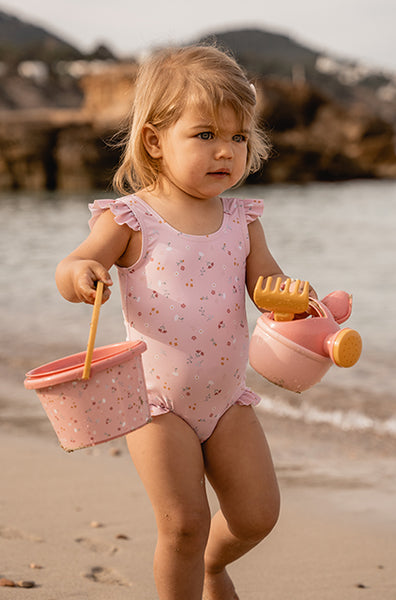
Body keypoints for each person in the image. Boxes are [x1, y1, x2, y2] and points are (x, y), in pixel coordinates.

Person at [56, 44, 305, 600]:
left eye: (238, 138)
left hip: (226, 398)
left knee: (257, 515)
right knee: (183, 524)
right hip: (154, 401)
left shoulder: (243, 220)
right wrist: (81, 275)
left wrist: (300, 303)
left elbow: (271, 291)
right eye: (205, 135)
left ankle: (213, 569)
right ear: (154, 140)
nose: (225, 152)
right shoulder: (131, 217)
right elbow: (74, 263)